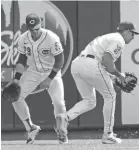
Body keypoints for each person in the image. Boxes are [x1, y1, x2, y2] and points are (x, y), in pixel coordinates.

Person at [57, 21, 139, 144]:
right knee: (110, 96)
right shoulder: (119, 40)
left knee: (89, 101)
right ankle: (108, 134)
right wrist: (119, 76)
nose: (133, 37)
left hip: (78, 64)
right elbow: (107, 61)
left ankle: (65, 117)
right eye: (133, 33)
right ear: (126, 31)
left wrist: (112, 77)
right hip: (91, 65)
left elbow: (101, 65)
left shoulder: (109, 36)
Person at [12, 13, 68, 144]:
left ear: (40, 25)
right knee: (16, 97)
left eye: (37, 29)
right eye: (32, 30)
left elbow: (60, 61)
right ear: (28, 28)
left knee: (59, 102)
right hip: (33, 71)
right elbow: (21, 59)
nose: (34, 32)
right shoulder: (23, 38)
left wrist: (49, 78)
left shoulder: (51, 37)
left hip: (52, 71)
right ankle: (31, 128)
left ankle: (62, 131)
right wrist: (16, 79)